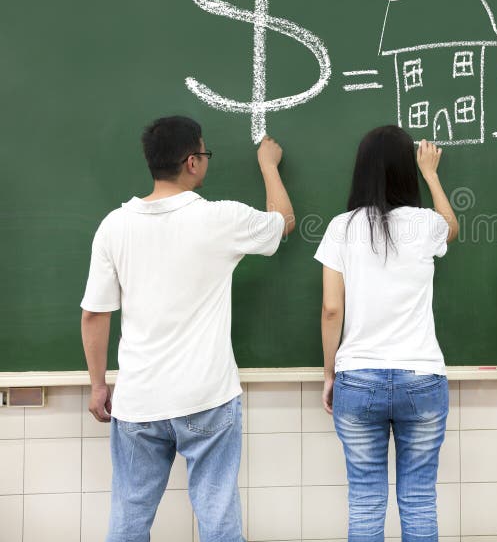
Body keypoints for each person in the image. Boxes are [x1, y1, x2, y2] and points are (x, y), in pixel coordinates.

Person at [80, 116, 294, 542]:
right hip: (206, 397)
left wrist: (98, 385)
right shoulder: (220, 219)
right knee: (217, 516)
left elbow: (94, 315)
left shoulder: (114, 226)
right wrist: (269, 166)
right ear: (193, 161)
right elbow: (283, 221)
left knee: (129, 516)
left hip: (139, 399)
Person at [314, 126, 458, 542]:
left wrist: (330, 374)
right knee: (418, 499)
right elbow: (452, 227)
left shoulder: (341, 227)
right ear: (406, 173)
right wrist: (432, 174)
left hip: (357, 377)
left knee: (364, 501)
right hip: (422, 377)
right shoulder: (425, 224)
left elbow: (330, 309)